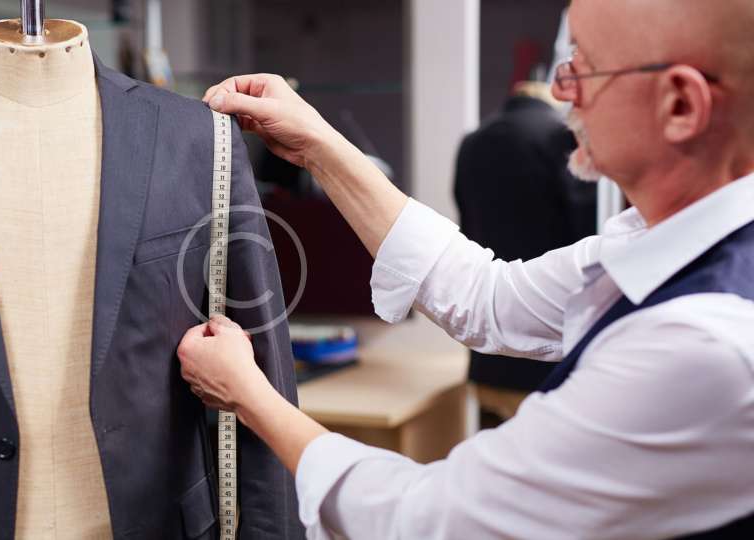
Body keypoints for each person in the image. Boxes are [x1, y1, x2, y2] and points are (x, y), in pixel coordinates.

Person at [177, 0, 754, 537]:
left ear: (681, 105)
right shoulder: (661, 241)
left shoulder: (701, 344)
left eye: (587, 69)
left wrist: (250, 396)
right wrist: (316, 144)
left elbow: (430, 519)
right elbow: (487, 296)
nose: (560, 91)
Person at [454, 80, 596, 421]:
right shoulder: (561, 139)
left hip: (487, 351)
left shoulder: (471, 143)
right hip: (548, 351)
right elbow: (587, 235)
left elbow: (466, 227)